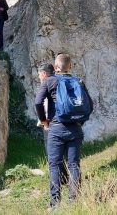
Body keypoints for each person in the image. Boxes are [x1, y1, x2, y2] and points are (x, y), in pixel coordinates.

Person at [35, 54, 93, 209]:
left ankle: (55, 204)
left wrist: (44, 120)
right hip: (75, 129)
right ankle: (74, 201)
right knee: (74, 165)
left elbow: (38, 102)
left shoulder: (49, 81)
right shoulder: (78, 81)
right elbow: (90, 106)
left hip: (56, 129)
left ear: (55, 67)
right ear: (70, 66)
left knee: (54, 165)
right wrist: (79, 121)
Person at [36, 63, 68, 185]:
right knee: (68, 155)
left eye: (39, 74)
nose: (39, 77)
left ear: (44, 73)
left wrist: (44, 121)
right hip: (65, 120)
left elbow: (39, 103)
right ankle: (68, 179)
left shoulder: (47, 83)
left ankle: (61, 179)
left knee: (52, 154)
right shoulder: (60, 82)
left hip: (51, 122)